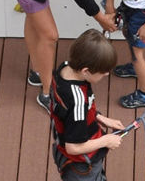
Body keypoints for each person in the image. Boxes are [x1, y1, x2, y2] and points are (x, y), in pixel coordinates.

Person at [50, 29, 127, 180]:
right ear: (85, 71)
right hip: (81, 166)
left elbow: (71, 112)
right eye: (103, 72)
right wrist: (106, 140)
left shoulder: (64, 68)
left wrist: (100, 117)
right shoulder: (77, 101)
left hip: (69, 152)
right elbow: (73, 147)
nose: (106, 74)